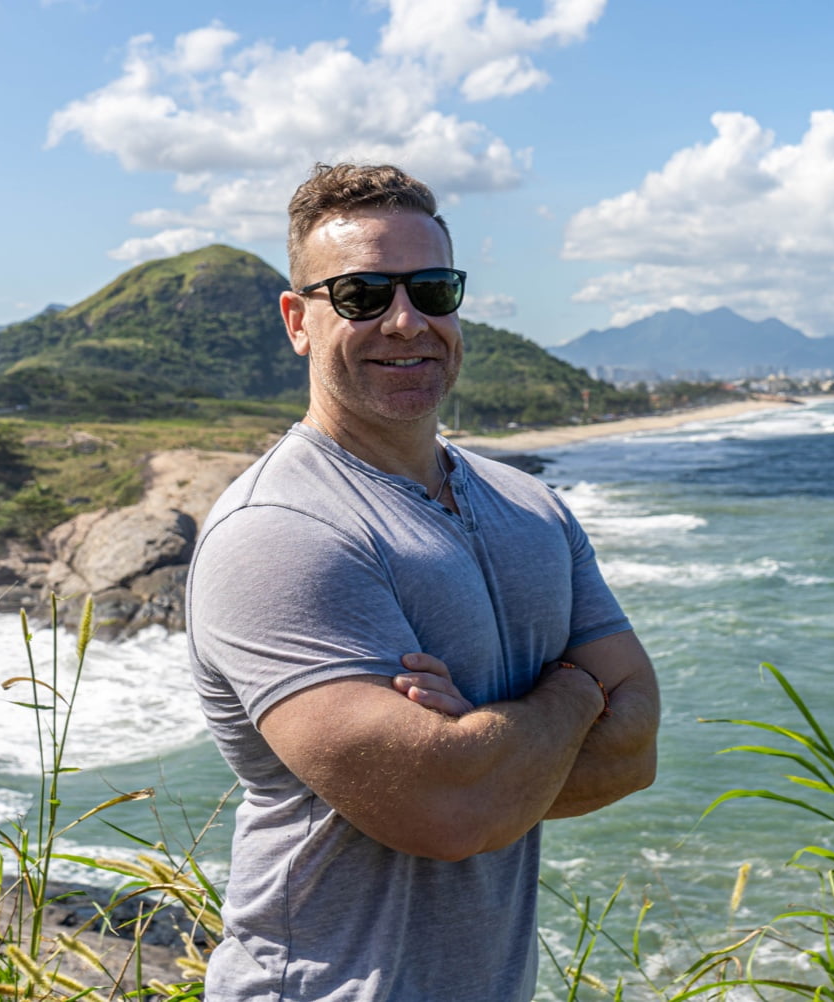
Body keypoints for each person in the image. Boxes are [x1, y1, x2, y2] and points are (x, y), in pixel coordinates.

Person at [186, 162, 660, 1002]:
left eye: (432, 290)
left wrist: (481, 744)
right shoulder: (279, 531)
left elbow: (635, 752)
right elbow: (452, 812)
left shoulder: (530, 506)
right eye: (362, 294)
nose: (406, 321)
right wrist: (574, 693)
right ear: (298, 320)